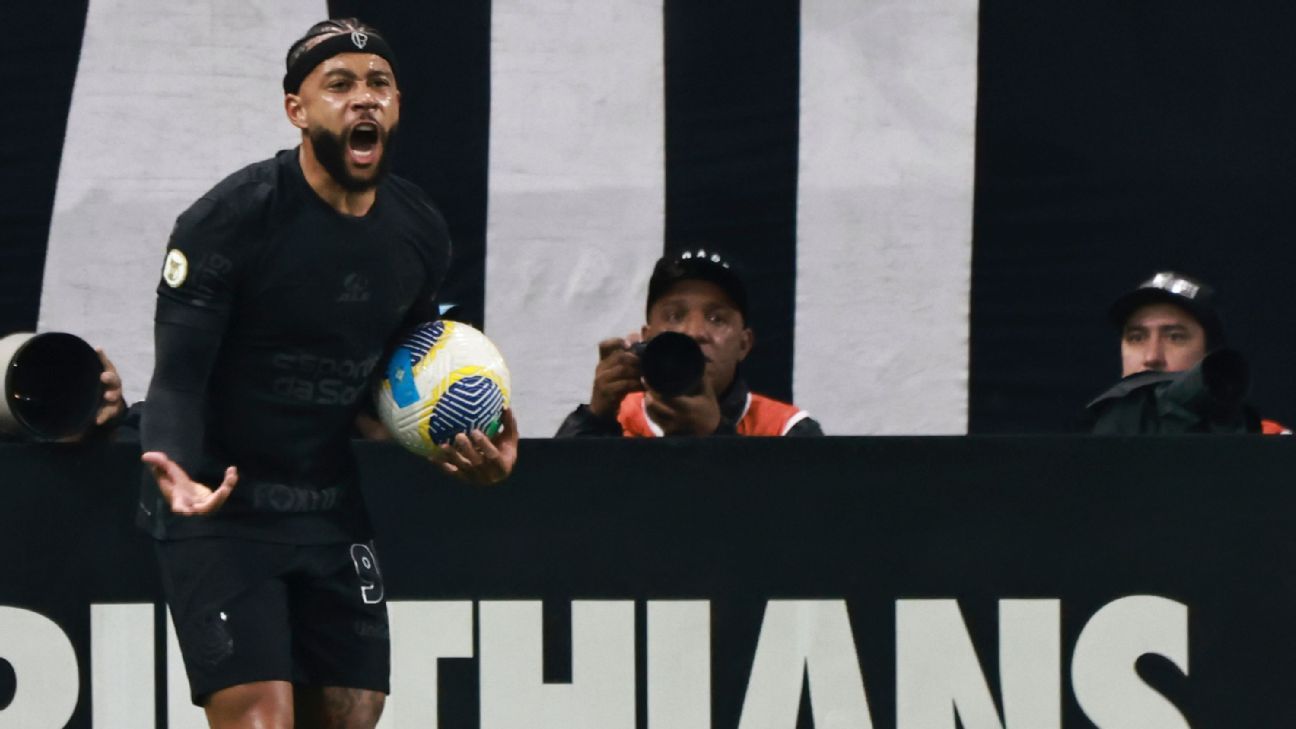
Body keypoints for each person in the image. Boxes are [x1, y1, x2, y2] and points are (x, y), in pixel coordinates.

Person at [137, 18, 517, 728]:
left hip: (327, 504)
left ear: (398, 103)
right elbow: (178, 377)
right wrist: (177, 470)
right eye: (338, 84)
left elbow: (401, 378)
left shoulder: (418, 231)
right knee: (261, 718)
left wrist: (473, 437)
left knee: (352, 711)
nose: (362, 99)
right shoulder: (230, 219)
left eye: (378, 84)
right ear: (297, 110)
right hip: (219, 500)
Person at [556, 249, 822, 437]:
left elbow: (790, 515)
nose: (694, 333)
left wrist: (715, 435)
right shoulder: (619, 419)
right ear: (647, 337)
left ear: (744, 344)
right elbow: (551, 508)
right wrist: (593, 420)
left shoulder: (787, 430)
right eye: (675, 316)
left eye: (716, 318)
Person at [1088, 270, 1289, 434]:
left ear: (1211, 357)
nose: (1151, 358)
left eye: (1175, 337)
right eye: (1137, 338)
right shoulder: (1081, 450)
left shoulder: (1268, 444)